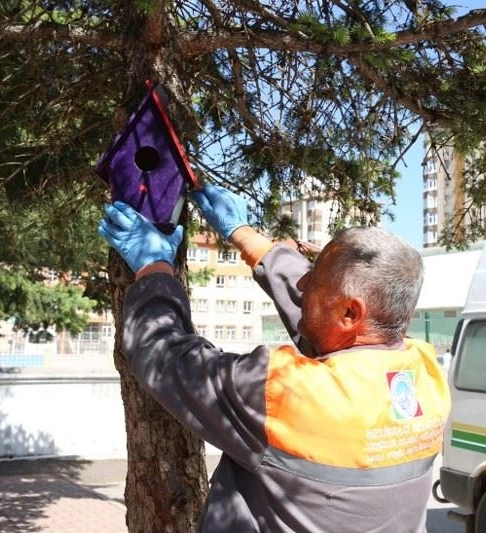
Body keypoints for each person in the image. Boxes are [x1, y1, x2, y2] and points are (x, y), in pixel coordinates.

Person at [98, 183, 451, 533]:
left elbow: (163, 356)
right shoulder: (426, 376)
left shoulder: (284, 395)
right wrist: (244, 236)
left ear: (349, 313)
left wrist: (153, 268)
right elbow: (326, 321)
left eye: (313, 280)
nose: (301, 285)